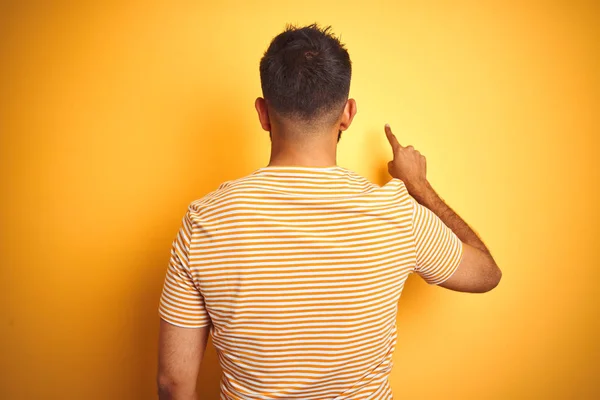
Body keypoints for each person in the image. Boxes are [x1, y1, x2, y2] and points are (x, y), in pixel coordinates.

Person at [156, 22, 501, 400]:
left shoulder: (205, 220)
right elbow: (486, 273)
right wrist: (419, 187)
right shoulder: (400, 213)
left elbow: (174, 383)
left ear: (263, 113)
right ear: (348, 114)